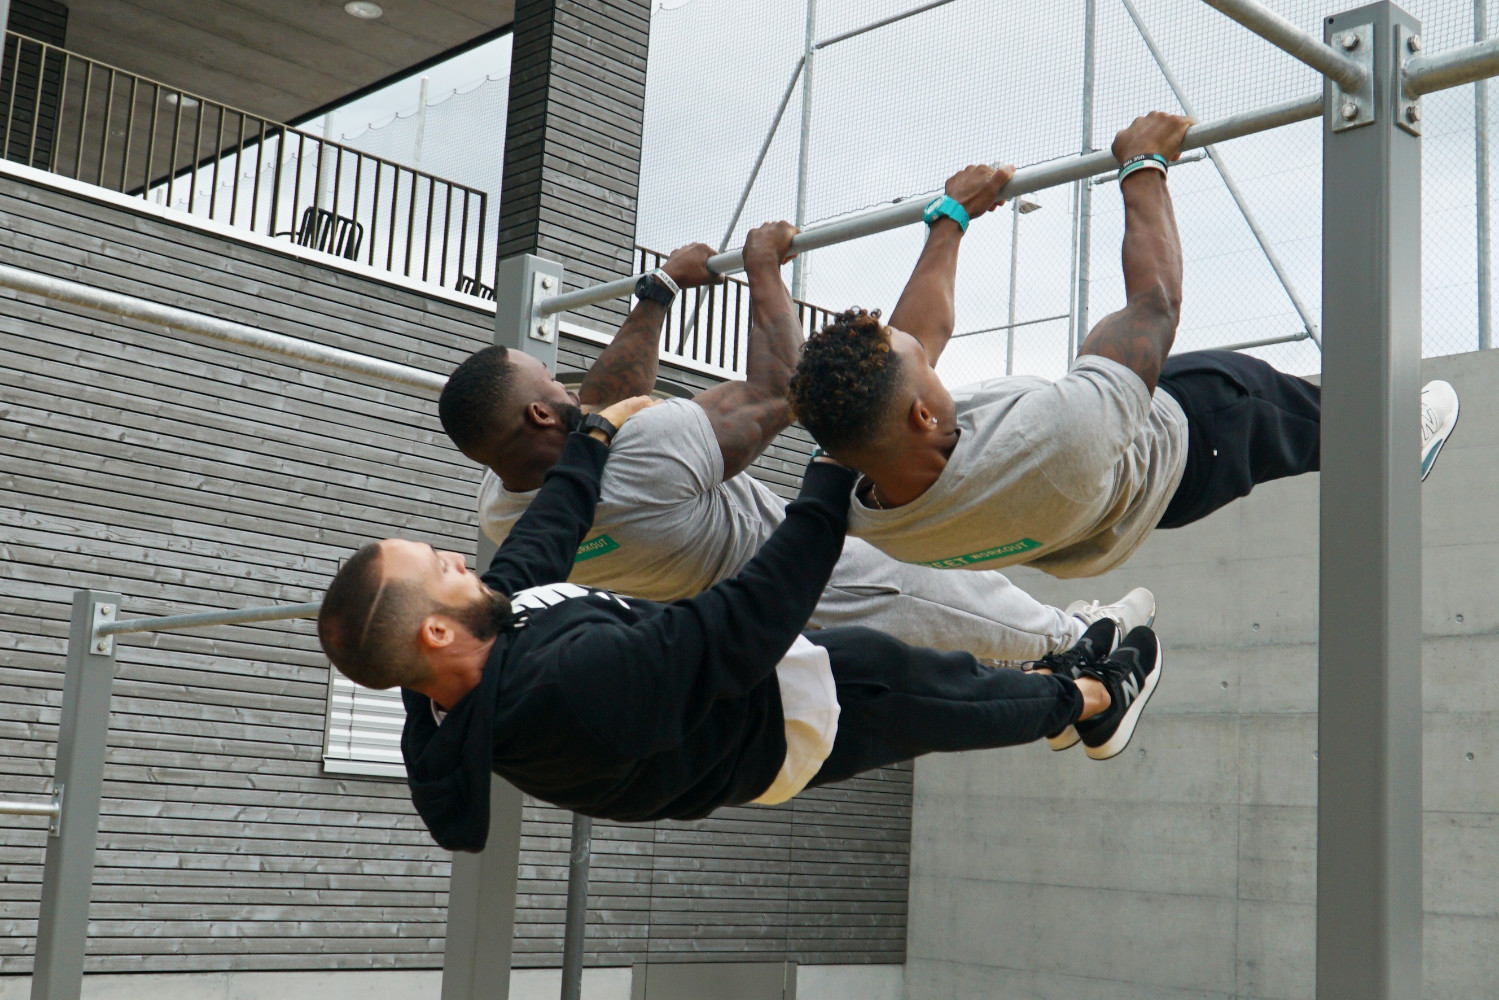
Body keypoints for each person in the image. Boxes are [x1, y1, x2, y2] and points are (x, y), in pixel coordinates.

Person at [315, 396, 1163, 851]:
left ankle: (1065, 678)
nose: (458, 561)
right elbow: (741, 622)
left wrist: (597, 435)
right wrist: (828, 478)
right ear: (433, 631)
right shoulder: (561, 692)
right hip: (786, 725)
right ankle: (1092, 702)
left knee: (936, 676)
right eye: (439, 567)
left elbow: (540, 542)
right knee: (934, 693)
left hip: (751, 692)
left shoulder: (479, 647)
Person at [438, 190, 1152, 668]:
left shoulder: (504, 516)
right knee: (953, 602)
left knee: (954, 607)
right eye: (549, 382)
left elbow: (598, 407)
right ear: (539, 412)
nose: (564, 386)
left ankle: (1062, 650)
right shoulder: (648, 455)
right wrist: (763, 269)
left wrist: (659, 289)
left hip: (728, 618)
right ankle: (1084, 642)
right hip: (801, 571)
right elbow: (781, 390)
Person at [786, 111, 1462, 578]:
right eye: (921, 371)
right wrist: (1144, 165)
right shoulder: (1057, 438)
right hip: (1191, 443)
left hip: (1099, 521)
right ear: (921, 415)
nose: (927, 358)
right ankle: (1398, 441)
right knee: (1272, 403)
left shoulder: (855, 491)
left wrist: (951, 217)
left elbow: (912, 339)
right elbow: (1154, 305)